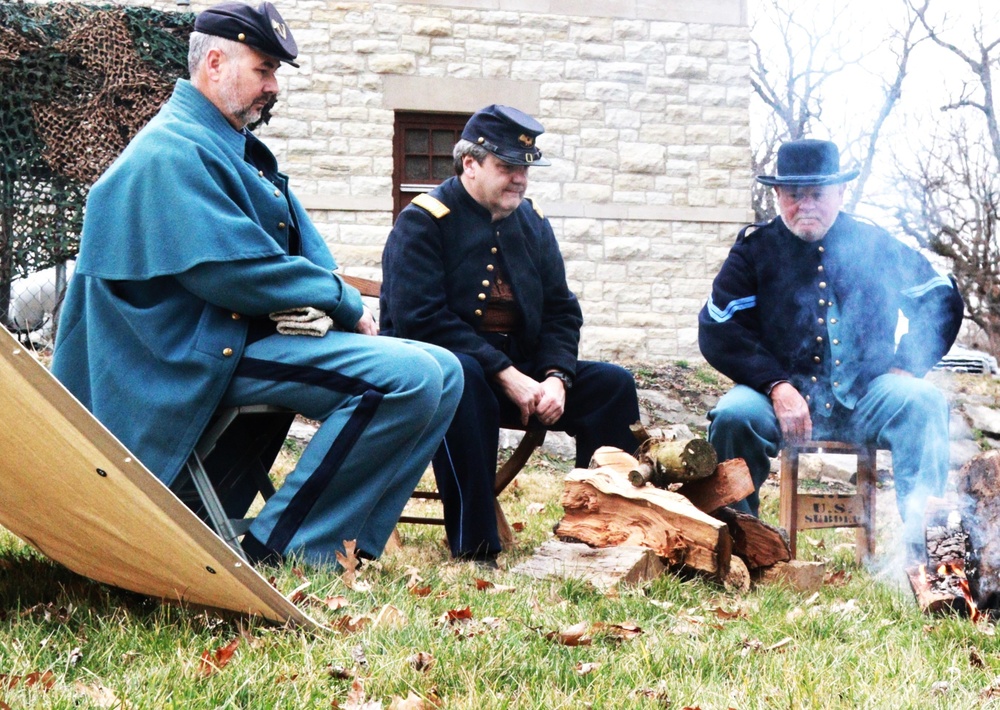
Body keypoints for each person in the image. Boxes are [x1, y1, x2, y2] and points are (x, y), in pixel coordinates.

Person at [51, 2, 462, 567]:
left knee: (445, 369)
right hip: (181, 358)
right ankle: (286, 551)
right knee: (410, 378)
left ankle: (351, 546)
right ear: (215, 62)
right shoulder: (171, 150)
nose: (273, 87)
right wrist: (340, 301)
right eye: (264, 69)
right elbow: (231, 273)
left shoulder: (228, 145)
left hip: (231, 340)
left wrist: (334, 296)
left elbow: (299, 244)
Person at [380, 105, 641, 566]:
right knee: (465, 379)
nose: (519, 179)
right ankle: (475, 548)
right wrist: (506, 373)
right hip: (437, 373)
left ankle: (603, 531)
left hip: (523, 375)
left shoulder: (532, 224)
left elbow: (562, 310)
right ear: (470, 164)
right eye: (506, 167)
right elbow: (420, 319)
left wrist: (557, 376)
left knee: (612, 386)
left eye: (524, 168)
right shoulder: (423, 221)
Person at [699, 138, 964, 559]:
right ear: (777, 196)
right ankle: (738, 550)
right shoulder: (755, 250)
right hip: (778, 403)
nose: (806, 204)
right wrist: (775, 385)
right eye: (794, 194)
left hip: (867, 399)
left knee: (924, 403)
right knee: (734, 416)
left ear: (840, 193)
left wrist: (907, 365)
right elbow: (718, 326)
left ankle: (927, 555)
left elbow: (940, 298)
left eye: (817, 193)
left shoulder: (874, 245)